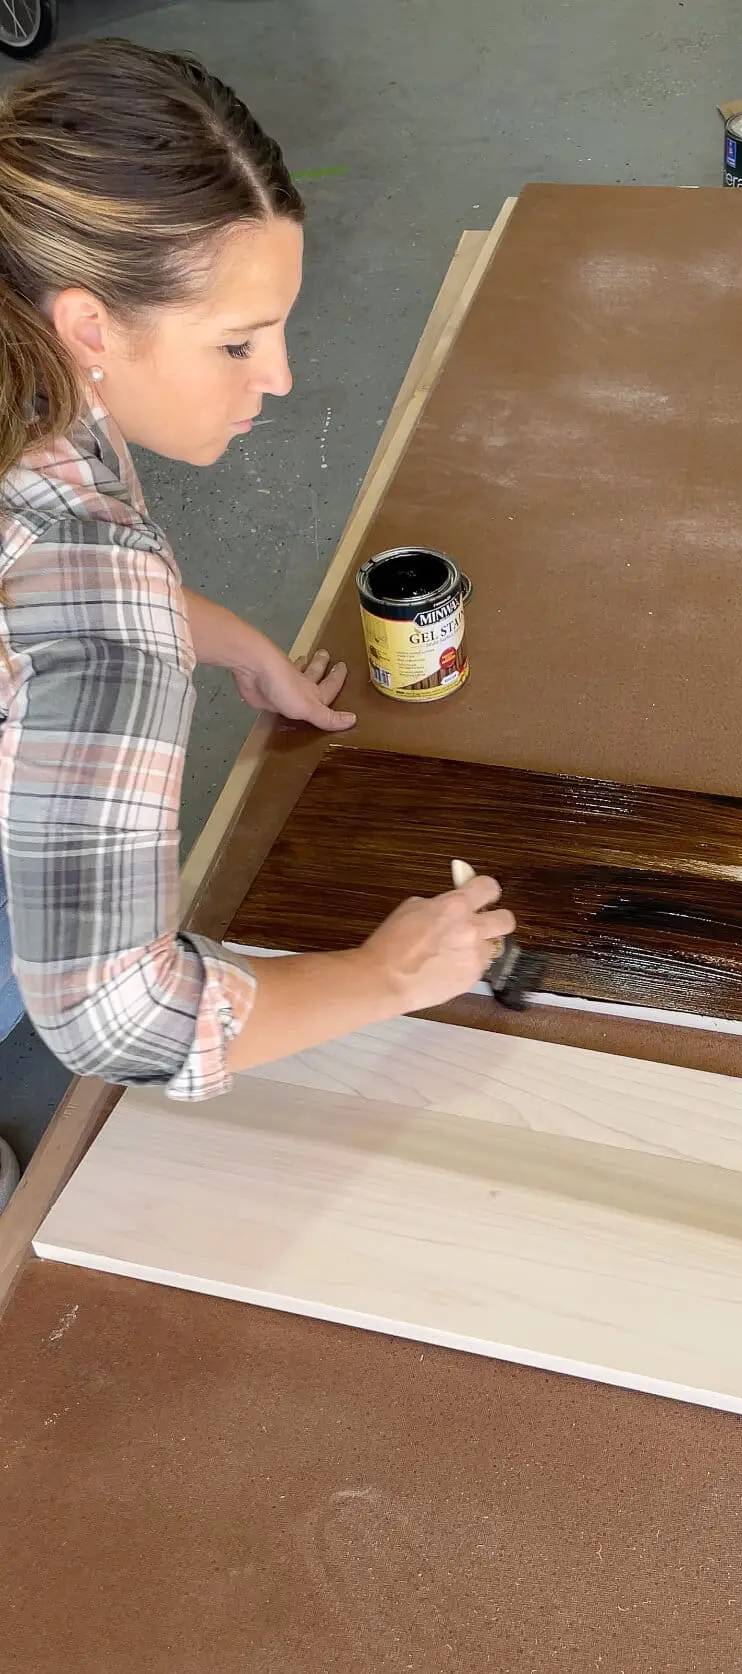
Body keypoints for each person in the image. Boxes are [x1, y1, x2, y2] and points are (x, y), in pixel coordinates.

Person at [0, 38, 513, 1099]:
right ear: (89, 322)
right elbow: (117, 1021)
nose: (277, 378)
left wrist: (225, 638)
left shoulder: (29, 364)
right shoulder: (95, 578)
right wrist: (383, 976)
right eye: (238, 343)